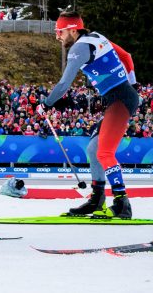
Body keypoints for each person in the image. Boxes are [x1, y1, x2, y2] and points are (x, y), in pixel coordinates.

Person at [44, 11, 139, 218]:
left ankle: (122, 204)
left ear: (72, 29)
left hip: (120, 100)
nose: (57, 36)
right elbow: (126, 57)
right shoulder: (97, 37)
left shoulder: (78, 48)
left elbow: (64, 84)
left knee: (104, 153)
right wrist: (133, 84)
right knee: (93, 148)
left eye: (60, 31)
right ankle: (97, 199)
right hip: (120, 98)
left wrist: (47, 102)